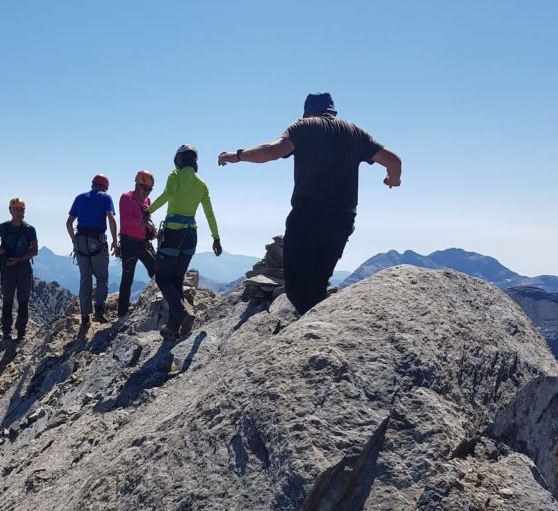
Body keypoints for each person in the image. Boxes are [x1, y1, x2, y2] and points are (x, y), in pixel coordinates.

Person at [218, 92, 402, 315]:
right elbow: (393, 161)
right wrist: (393, 180)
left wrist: (235, 156)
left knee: (296, 286)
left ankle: (314, 330)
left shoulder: (303, 127)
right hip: (343, 218)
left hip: (309, 214)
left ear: (308, 111)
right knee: (318, 281)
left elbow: (271, 151)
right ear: (333, 110)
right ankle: (319, 324)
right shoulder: (357, 133)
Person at [149, 145, 222, 340]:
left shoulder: (175, 175)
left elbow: (166, 194)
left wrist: (148, 212)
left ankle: (181, 312)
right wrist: (216, 238)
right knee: (176, 280)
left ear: (179, 159)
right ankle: (173, 328)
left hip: (173, 234)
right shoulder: (202, 184)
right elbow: (209, 213)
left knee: (163, 279)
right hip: (190, 236)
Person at [0, 198, 38, 342]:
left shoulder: (29, 229)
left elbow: (34, 251)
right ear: (11, 210)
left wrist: (18, 259)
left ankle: (21, 332)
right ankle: (6, 332)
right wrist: (0, 250)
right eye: (17, 209)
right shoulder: (4, 227)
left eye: (22, 209)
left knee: (23, 300)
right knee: (7, 301)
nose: (19, 212)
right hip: (9, 268)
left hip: (22, 268)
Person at [66, 174, 118, 327]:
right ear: (104, 187)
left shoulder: (79, 197)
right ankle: (99, 311)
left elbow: (69, 222)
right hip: (97, 241)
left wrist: (73, 240)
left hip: (80, 241)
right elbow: (111, 218)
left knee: (85, 278)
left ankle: (84, 315)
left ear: (93, 184)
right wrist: (115, 240)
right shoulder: (105, 197)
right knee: (102, 278)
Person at [117, 170, 157, 318]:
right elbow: (125, 219)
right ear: (137, 184)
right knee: (127, 279)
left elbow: (147, 219)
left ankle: (159, 303)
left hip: (142, 242)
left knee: (155, 270)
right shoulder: (126, 197)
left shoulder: (148, 201)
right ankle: (122, 314)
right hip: (128, 243)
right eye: (145, 188)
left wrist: (151, 228)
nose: (147, 192)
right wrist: (145, 223)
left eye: (150, 189)